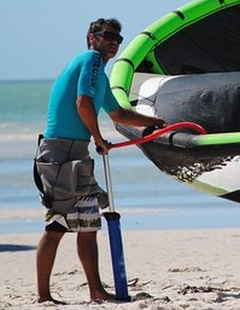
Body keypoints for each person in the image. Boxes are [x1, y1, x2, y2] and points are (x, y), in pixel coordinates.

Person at [35, 17, 166, 304]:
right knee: (57, 226)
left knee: (88, 225)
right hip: (58, 153)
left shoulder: (101, 76)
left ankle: (96, 291)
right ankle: (43, 296)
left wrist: (159, 122)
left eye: (118, 38)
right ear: (92, 37)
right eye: (108, 36)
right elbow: (82, 104)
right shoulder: (91, 59)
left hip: (77, 152)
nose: (114, 42)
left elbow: (119, 114)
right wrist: (99, 139)